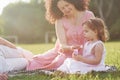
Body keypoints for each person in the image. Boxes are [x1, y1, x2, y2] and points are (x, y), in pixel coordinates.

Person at [26, 0, 95, 70]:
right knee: (37, 63)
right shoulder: (60, 20)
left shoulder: (89, 15)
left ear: (73, 2)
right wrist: (71, 48)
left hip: (86, 51)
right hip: (66, 52)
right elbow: (63, 45)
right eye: (62, 8)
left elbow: (95, 37)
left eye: (67, 5)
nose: (66, 9)